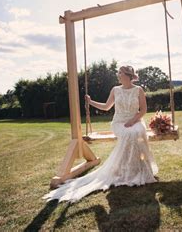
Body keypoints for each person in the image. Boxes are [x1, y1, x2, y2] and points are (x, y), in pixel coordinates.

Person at [43, 65, 158, 202]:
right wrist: (91, 102)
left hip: (135, 121)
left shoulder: (138, 90)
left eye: (120, 73)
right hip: (119, 123)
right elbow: (106, 107)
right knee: (129, 135)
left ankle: (137, 169)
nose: (118, 75)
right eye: (118, 73)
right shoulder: (115, 90)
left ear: (128, 75)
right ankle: (124, 170)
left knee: (137, 132)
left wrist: (133, 121)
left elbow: (143, 110)